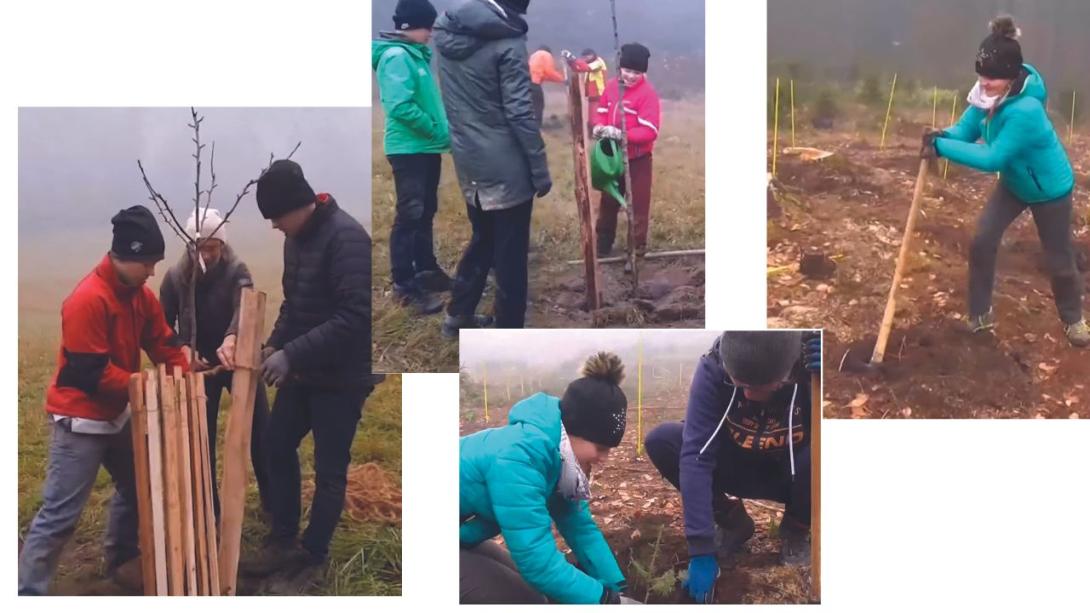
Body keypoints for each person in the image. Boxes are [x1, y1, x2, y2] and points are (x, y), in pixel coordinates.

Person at [18, 206, 189, 595]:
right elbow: (90, 374)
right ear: (125, 256)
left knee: (137, 489)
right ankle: (28, 591)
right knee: (61, 513)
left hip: (119, 414)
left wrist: (185, 369)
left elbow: (162, 341)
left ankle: (122, 561)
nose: (152, 271)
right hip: (80, 420)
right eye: (147, 262)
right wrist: (144, 383)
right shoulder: (87, 300)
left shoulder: (140, 298)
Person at [238, 160, 376, 594]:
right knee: (276, 445)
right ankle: (282, 539)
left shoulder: (348, 239)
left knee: (330, 467)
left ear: (299, 206)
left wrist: (292, 354)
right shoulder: (296, 240)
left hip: (343, 377)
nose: (275, 226)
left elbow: (355, 316)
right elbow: (294, 304)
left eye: (277, 217)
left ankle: (311, 556)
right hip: (304, 372)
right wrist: (276, 345)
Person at [922, 15, 1088, 347]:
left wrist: (941, 147)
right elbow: (966, 129)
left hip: (1049, 190)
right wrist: (943, 135)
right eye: (981, 76)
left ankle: (1074, 321)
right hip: (1014, 184)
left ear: (1011, 77)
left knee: (1059, 259)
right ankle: (980, 317)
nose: (984, 83)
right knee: (982, 239)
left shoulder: (1025, 111)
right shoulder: (987, 95)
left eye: (992, 79)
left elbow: (992, 157)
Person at [644, 331, 820, 604]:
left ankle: (796, 531)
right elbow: (696, 455)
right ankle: (732, 522)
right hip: (735, 464)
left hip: (792, 473)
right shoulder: (714, 367)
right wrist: (700, 548)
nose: (748, 394)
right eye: (739, 383)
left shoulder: (811, 367)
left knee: (822, 453)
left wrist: (835, 377)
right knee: (663, 440)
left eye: (762, 387)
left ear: (787, 374)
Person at [460, 352, 637, 604]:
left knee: (531, 590)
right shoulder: (520, 457)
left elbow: (580, 527)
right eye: (600, 447)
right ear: (573, 430)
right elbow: (537, 562)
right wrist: (606, 601)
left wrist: (617, 588)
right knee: (520, 599)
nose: (604, 458)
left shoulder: (558, 462)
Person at [433, 0, 552, 337]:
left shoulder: (445, 30)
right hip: (506, 164)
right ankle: (510, 330)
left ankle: (457, 316)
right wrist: (538, 166)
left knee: (483, 238)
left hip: (468, 159)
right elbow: (518, 112)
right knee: (511, 253)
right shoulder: (509, 42)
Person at [159, 208, 271, 518]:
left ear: (222, 245)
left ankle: (273, 505)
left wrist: (233, 336)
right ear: (189, 245)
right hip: (198, 371)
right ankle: (209, 511)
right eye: (200, 247)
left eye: (212, 247)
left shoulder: (238, 270)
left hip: (239, 362)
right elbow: (162, 325)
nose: (206, 254)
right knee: (200, 442)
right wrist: (182, 348)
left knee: (262, 436)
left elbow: (244, 306)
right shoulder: (174, 278)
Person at [373, 0, 451, 316]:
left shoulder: (414, 56)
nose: (431, 33)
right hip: (409, 149)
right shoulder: (397, 58)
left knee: (426, 211)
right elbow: (399, 106)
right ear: (411, 26)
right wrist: (433, 128)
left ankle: (427, 271)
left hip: (425, 148)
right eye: (427, 27)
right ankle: (405, 285)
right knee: (410, 215)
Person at [591, 43, 661, 260]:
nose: (631, 76)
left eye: (637, 72)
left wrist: (622, 134)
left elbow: (650, 131)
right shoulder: (611, 87)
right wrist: (599, 127)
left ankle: (636, 249)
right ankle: (602, 245)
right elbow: (601, 111)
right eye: (628, 70)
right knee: (608, 200)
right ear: (620, 68)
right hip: (614, 159)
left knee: (638, 205)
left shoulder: (647, 95)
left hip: (638, 160)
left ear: (643, 73)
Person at [529, 45, 566, 125]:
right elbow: (549, 71)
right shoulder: (546, 55)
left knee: (530, 105)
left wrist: (559, 80)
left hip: (526, 83)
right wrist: (563, 80)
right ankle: (537, 126)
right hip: (534, 84)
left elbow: (544, 75)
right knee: (538, 105)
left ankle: (530, 124)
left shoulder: (534, 55)